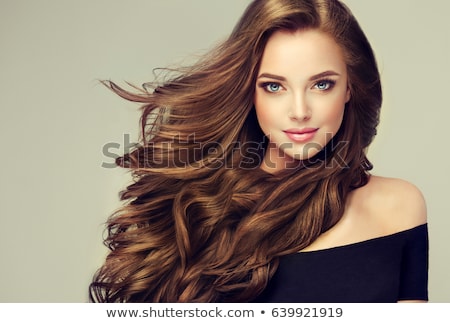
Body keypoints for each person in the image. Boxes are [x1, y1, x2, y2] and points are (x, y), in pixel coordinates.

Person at [90, 0, 428, 303]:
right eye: (274, 86)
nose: (299, 110)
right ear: (250, 92)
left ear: (350, 88)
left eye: (322, 84)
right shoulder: (200, 206)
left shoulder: (398, 207)